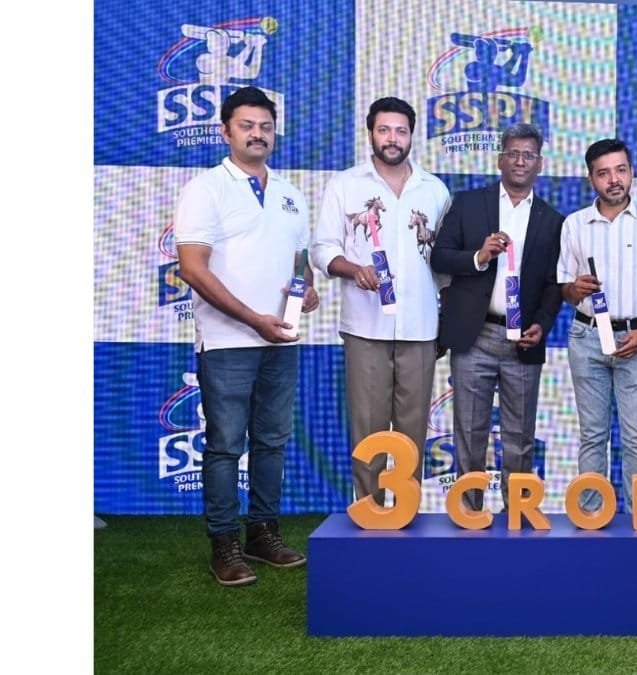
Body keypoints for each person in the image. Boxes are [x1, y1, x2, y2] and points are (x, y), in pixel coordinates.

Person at [174, 86, 318, 586]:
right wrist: (253, 318)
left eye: (266, 127)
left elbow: (301, 261)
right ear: (225, 131)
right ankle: (224, 543)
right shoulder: (206, 189)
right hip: (228, 341)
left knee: (272, 442)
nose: (258, 134)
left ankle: (263, 533)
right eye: (247, 126)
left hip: (281, 340)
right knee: (224, 445)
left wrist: (307, 289)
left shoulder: (290, 193)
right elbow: (192, 268)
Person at [311, 97, 451, 507]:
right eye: (384, 130)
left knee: (413, 432)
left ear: (412, 136)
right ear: (370, 133)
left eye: (401, 131)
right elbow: (322, 248)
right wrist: (353, 269)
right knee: (368, 429)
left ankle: (405, 513)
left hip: (421, 328)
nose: (393, 138)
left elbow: (444, 265)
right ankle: (369, 512)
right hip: (365, 327)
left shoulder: (435, 190)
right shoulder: (345, 184)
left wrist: (447, 322)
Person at [430, 123, 564, 511]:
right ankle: (469, 513)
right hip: (475, 335)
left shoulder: (553, 220)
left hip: (523, 341)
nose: (520, 161)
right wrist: (479, 256)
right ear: (500, 159)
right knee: (469, 433)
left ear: (539, 164)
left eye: (529, 155)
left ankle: (517, 513)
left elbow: (555, 284)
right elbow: (439, 256)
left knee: (520, 437)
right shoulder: (469, 204)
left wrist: (542, 324)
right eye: (514, 153)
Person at [558, 138, 637, 512]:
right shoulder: (574, 224)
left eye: (621, 170)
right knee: (592, 436)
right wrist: (573, 289)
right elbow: (564, 287)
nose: (614, 180)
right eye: (603, 173)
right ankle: (591, 517)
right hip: (587, 336)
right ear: (591, 178)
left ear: (632, 172)